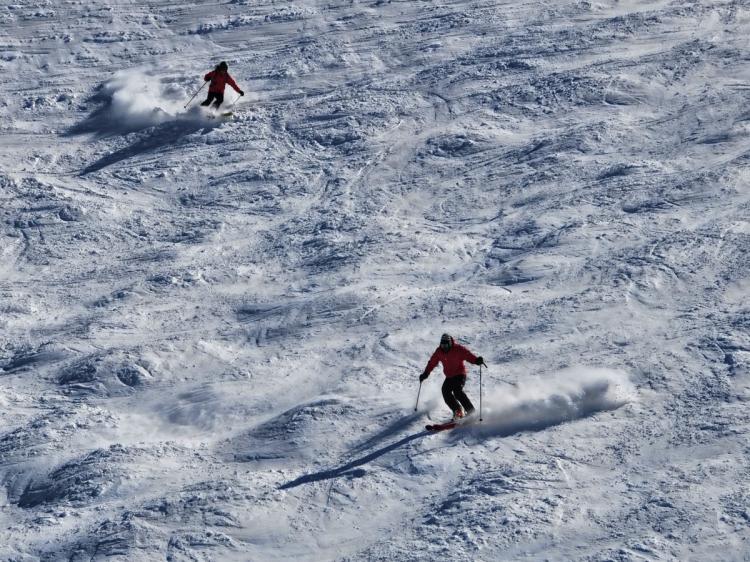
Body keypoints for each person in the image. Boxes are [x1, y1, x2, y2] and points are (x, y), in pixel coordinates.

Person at [419, 333, 484, 420]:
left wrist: (476, 360)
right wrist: (426, 373)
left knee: (457, 391)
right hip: (449, 376)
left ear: (450, 343)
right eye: (442, 345)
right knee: (445, 391)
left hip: (460, 374)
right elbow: (432, 362)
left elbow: (468, 355)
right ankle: (457, 410)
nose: (444, 347)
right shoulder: (439, 351)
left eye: (446, 345)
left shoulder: (458, 349)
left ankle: (471, 411)